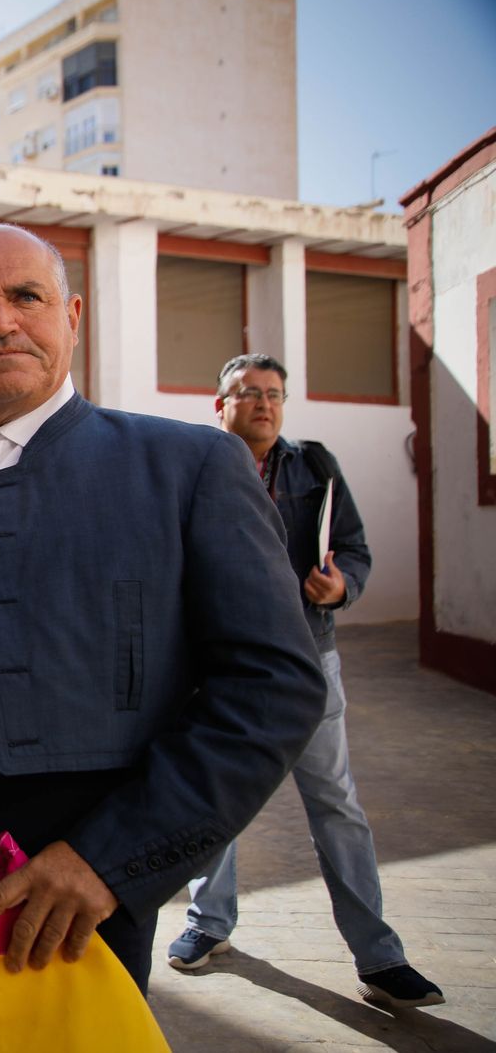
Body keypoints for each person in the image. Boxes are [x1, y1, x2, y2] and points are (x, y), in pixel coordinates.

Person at [0, 225, 328, 1046]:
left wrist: (111, 861)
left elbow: (273, 689)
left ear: (73, 316)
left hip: (71, 900)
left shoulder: (186, 468)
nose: (1, 321)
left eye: (26, 297)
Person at [165, 354, 444, 1008]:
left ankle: (379, 957)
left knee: (336, 805)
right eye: (249, 393)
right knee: (218, 800)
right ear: (220, 404)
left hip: (306, 659)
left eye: (274, 394)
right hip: (217, 664)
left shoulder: (314, 467)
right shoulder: (191, 467)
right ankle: (209, 928)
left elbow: (354, 547)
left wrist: (342, 582)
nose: (264, 404)